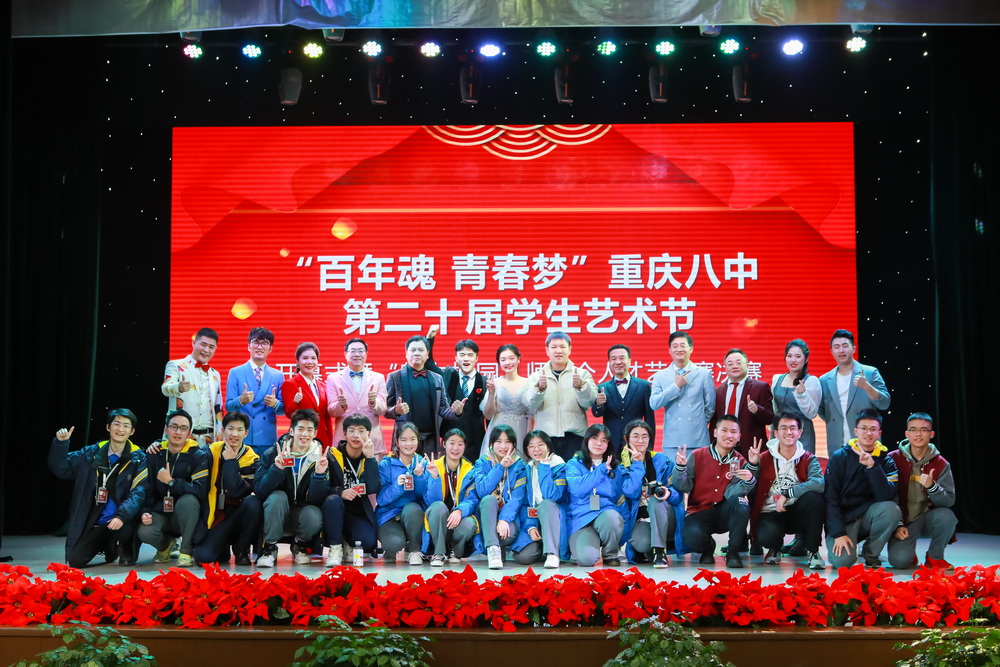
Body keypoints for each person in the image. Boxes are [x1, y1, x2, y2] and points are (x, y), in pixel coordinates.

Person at [48, 409, 148, 567]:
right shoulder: (90, 453)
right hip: (96, 520)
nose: (120, 429)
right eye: (116, 424)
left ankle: (124, 546)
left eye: (126, 426)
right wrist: (61, 444)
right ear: (108, 427)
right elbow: (62, 468)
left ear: (132, 431)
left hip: (122, 519)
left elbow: (138, 492)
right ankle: (108, 545)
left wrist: (121, 516)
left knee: (126, 527)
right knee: (75, 560)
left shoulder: (139, 458)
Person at [673, 414, 756, 569]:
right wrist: (680, 467)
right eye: (724, 430)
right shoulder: (697, 455)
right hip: (699, 511)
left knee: (741, 503)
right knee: (691, 536)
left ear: (739, 437)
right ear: (715, 432)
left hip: (724, 512)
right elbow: (683, 487)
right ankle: (707, 548)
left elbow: (732, 494)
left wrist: (749, 480)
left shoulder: (740, 461)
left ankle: (733, 552)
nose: (729, 435)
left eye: (733, 432)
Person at [254, 409, 334, 568]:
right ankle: (270, 547)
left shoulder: (321, 458)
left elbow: (317, 500)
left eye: (309, 430)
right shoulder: (273, 453)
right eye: (300, 429)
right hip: (276, 513)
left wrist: (319, 475)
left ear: (315, 433)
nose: (304, 434)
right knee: (277, 497)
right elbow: (260, 491)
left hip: (302, 513)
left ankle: (299, 543)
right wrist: (276, 469)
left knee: (314, 515)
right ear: (291, 431)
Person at [824, 409, 901, 569]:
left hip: (869, 517)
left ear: (879, 433)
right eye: (864, 428)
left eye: (873, 429)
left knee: (891, 509)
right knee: (842, 562)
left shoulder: (886, 461)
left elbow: (885, 496)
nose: (868, 433)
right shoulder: (839, 457)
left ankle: (871, 553)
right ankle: (846, 542)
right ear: (856, 431)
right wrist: (838, 533)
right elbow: (830, 498)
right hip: (844, 519)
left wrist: (872, 467)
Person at [748, 413, 826, 570]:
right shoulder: (763, 457)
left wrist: (788, 494)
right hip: (771, 511)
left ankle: (813, 551)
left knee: (814, 499)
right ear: (776, 433)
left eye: (793, 428)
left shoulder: (808, 458)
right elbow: (749, 487)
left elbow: (819, 483)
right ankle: (774, 548)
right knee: (766, 537)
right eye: (783, 428)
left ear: (800, 432)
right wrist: (752, 465)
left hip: (797, 511)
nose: (788, 432)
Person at [138, 409, 210, 567]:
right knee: (144, 531)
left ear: (189, 433)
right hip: (161, 512)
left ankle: (186, 550)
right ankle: (165, 546)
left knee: (189, 500)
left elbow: (199, 490)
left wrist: (171, 482)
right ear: (166, 429)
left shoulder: (198, 455)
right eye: (174, 427)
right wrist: (145, 511)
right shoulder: (154, 453)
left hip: (186, 514)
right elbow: (147, 487)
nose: (178, 432)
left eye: (183, 428)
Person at [887, 413, 958, 570]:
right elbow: (886, 496)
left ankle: (934, 557)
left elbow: (948, 501)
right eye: (913, 430)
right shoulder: (892, 459)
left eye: (924, 430)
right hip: (903, 522)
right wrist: (897, 524)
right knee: (899, 561)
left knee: (947, 516)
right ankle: (908, 552)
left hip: (927, 519)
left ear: (931, 434)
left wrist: (932, 486)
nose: (918, 434)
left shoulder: (941, 463)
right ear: (907, 434)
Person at [565, 424, 641, 567]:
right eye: (594, 438)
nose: (599, 443)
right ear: (587, 440)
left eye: (604, 440)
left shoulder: (616, 468)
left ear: (608, 444)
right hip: (581, 519)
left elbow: (628, 495)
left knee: (613, 517)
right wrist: (600, 470)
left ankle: (610, 553)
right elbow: (578, 489)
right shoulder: (574, 464)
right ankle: (592, 547)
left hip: (605, 516)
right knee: (587, 560)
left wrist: (637, 465)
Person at [192, 412, 262, 566]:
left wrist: (230, 462)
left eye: (239, 430)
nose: (234, 434)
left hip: (240, 513)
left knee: (253, 503)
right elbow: (191, 452)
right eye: (230, 429)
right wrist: (159, 444)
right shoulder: (211, 450)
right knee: (202, 557)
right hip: (218, 513)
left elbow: (236, 490)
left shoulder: (252, 459)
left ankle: (242, 549)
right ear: (223, 431)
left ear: (246, 433)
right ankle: (222, 547)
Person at [523, 332, 598, 461]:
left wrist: (581, 387)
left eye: (562, 347)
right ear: (547, 350)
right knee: (548, 472)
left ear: (570, 349)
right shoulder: (536, 376)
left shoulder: (582, 374)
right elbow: (530, 404)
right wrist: (539, 389)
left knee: (574, 472)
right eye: (554, 347)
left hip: (575, 436)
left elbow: (590, 402)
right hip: (546, 438)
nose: (558, 351)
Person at [620, 420, 684, 569]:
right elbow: (631, 493)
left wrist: (669, 493)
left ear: (650, 438)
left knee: (657, 500)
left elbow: (679, 495)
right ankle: (652, 550)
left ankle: (660, 552)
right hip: (642, 519)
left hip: (667, 515)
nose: (640, 441)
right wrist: (637, 464)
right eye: (635, 436)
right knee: (642, 543)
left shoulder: (662, 460)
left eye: (645, 436)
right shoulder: (622, 467)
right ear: (626, 439)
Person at [321, 413, 382, 566]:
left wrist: (370, 459)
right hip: (334, 508)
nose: (356, 435)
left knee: (367, 541)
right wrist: (340, 492)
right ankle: (335, 547)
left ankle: (347, 541)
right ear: (344, 433)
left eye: (361, 431)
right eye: (352, 431)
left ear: (368, 434)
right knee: (333, 500)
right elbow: (321, 489)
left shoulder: (369, 457)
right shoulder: (332, 456)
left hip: (357, 511)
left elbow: (373, 487)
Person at [818, 329, 891, 453]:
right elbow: (822, 410)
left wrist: (867, 387)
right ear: (831, 351)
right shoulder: (824, 380)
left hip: (867, 443)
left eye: (845, 346)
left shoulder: (870, 372)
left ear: (853, 349)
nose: (841, 350)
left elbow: (885, 403)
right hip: (837, 444)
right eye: (837, 347)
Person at [385, 335, 457, 456]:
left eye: (421, 350)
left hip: (430, 440)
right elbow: (385, 409)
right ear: (406, 354)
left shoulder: (437, 378)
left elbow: (443, 409)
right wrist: (395, 410)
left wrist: (456, 412)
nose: (417, 353)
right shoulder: (395, 377)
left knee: (430, 468)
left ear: (428, 354)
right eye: (413, 350)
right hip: (405, 440)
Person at [650, 331, 716, 462]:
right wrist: (675, 387)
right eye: (675, 346)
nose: (679, 349)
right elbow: (654, 403)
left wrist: (698, 421)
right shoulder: (660, 376)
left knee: (698, 474)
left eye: (683, 345)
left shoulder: (703, 374)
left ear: (691, 349)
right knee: (672, 474)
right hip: (672, 439)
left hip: (698, 438)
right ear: (669, 350)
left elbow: (710, 406)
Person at [426, 327, 488, 456]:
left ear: (476, 358)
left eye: (470, 355)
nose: (466, 359)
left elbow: (489, 416)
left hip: (476, 441)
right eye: (462, 355)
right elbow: (429, 364)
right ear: (456, 357)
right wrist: (429, 338)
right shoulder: (448, 376)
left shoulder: (484, 382)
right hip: (450, 440)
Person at [509, 430, 567, 569]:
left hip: (555, 518)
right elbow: (524, 504)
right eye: (531, 446)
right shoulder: (527, 469)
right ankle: (544, 547)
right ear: (527, 451)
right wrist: (531, 526)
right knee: (523, 556)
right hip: (534, 519)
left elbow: (552, 496)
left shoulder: (559, 466)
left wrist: (544, 467)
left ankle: (552, 553)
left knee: (546, 504)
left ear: (548, 447)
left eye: (540, 445)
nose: (536, 449)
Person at [424, 428, 482, 565]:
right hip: (439, 520)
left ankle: (455, 550)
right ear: (444, 444)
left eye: (460, 444)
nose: (455, 448)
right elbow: (431, 501)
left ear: (465, 446)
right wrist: (434, 477)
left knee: (470, 524)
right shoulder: (433, 466)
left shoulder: (470, 470)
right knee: (438, 507)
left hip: (458, 520)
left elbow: (472, 499)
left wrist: (460, 510)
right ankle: (439, 553)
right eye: (452, 443)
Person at [472, 425, 527, 569]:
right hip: (486, 517)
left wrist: (503, 519)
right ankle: (493, 549)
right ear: (491, 443)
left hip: (508, 518)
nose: (503, 446)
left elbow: (517, 498)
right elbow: (482, 491)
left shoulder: (519, 465)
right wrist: (500, 467)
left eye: (507, 441)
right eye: (498, 441)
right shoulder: (482, 462)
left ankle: (498, 546)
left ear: (513, 444)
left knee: (507, 533)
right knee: (488, 499)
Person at [225, 327, 285, 456]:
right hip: (242, 436)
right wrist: (241, 400)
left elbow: (282, 410)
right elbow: (229, 407)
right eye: (256, 342)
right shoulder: (235, 372)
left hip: (267, 436)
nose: (259, 347)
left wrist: (275, 404)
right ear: (249, 346)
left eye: (264, 343)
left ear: (270, 348)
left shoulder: (278, 375)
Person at [376, 422, 429, 565]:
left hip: (413, 516)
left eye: (412, 439)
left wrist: (419, 478)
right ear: (397, 442)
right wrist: (397, 486)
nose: (408, 444)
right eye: (404, 440)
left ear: (418, 440)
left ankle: (415, 550)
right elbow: (381, 499)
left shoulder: (423, 463)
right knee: (393, 544)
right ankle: (391, 549)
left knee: (412, 508)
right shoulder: (386, 464)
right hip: (390, 515)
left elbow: (425, 497)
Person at [327, 338, 388, 458]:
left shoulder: (378, 378)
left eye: (360, 351)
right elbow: (331, 411)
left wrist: (374, 402)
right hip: (344, 439)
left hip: (371, 439)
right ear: (345, 354)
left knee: (372, 470)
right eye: (353, 351)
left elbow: (383, 410)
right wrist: (340, 405)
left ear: (366, 354)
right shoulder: (333, 378)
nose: (357, 354)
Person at [592, 344, 656, 459]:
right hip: (611, 443)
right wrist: (599, 404)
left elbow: (649, 419)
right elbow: (597, 414)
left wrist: (649, 447)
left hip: (636, 444)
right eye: (613, 359)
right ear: (609, 363)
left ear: (630, 361)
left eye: (622, 358)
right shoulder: (602, 388)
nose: (618, 362)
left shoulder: (644, 386)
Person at [161, 328, 222, 445]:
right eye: (203, 344)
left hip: (208, 439)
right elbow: (165, 388)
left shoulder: (215, 374)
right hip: (180, 434)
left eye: (211, 347)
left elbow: (218, 408)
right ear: (194, 343)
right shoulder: (176, 365)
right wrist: (178, 387)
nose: (206, 350)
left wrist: (220, 438)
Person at [714, 348, 774, 458]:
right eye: (730, 364)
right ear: (725, 368)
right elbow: (715, 423)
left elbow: (770, 418)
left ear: (747, 365)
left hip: (751, 448)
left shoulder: (760, 387)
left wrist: (757, 409)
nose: (734, 366)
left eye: (738, 363)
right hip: (724, 448)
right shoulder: (718, 391)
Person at [480, 344, 533, 459]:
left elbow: (531, 415)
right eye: (503, 360)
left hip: (521, 430)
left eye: (511, 358)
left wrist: (528, 438)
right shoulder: (495, 383)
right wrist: (491, 393)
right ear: (499, 363)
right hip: (498, 428)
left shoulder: (528, 383)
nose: (508, 362)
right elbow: (488, 415)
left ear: (518, 359)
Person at [771, 339, 822, 453]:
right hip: (780, 434)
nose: (793, 360)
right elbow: (774, 409)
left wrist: (801, 395)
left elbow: (812, 414)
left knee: (801, 464)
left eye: (798, 356)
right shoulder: (777, 379)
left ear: (806, 359)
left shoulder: (811, 381)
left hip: (802, 435)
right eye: (789, 356)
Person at [282, 342, 335, 449]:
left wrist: (330, 442)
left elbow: (326, 418)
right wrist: (295, 402)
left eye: (313, 358)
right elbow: (289, 414)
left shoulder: (323, 386)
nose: (309, 362)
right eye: (305, 358)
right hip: (301, 439)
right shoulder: (290, 384)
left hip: (322, 439)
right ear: (297, 361)